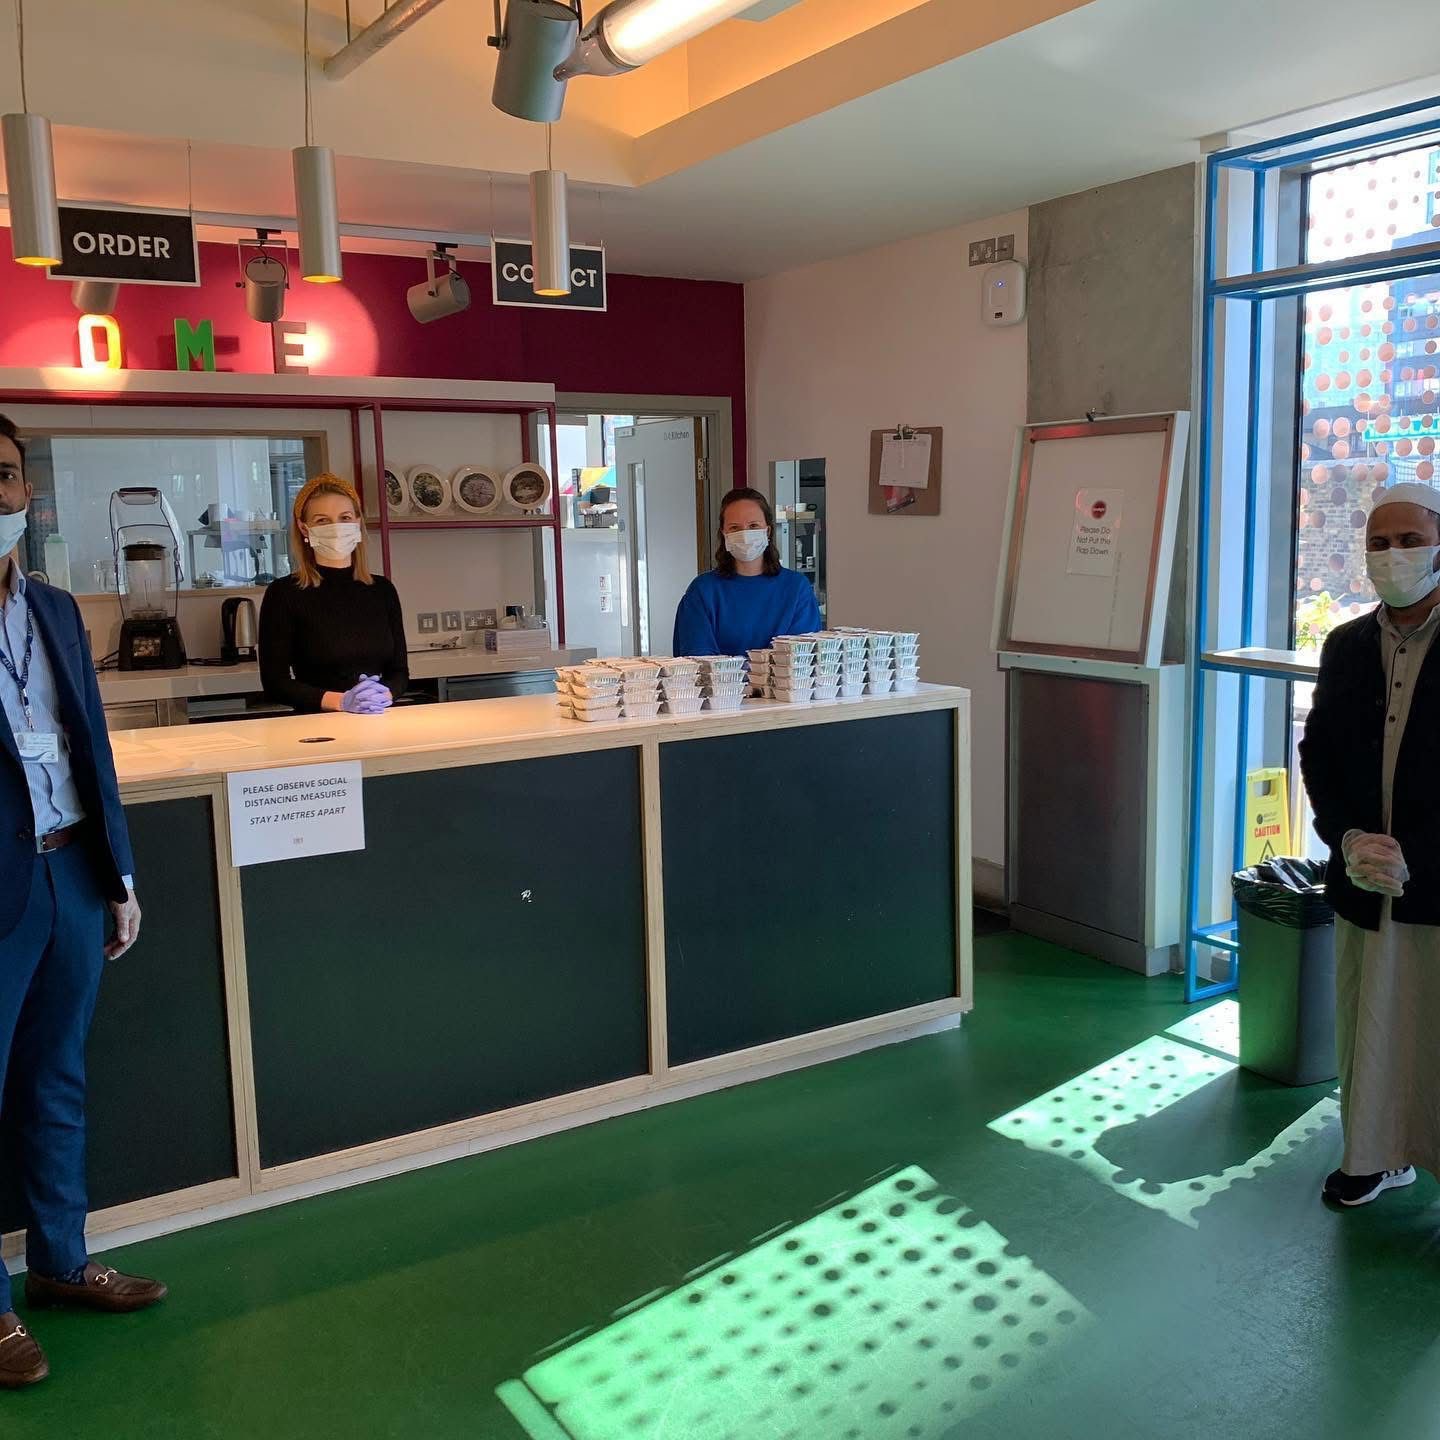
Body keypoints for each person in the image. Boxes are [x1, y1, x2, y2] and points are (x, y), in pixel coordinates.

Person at [0, 414, 166, 1390]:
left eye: (4, 475)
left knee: (55, 1081)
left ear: (26, 492)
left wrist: (120, 874)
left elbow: (90, 745)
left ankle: (61, 1263)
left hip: (68, 873)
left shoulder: (56, 610)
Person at [1299, 481, 1440, 1208]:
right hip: (1363, 876)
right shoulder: (1347, 645)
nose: (1394, 555)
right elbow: (1318, 751)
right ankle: (1377, 1154)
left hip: (1436, 878)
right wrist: (1348, 836)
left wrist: (1420, 849)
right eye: (1379, 543)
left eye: (1411, 540)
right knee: (1371, 1025)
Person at [259, 473, 408, 714]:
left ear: (357, 522)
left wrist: (383, 694)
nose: (336, 528)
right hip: (315, 725)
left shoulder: (383, 590)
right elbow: (275, 683)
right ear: (304, 528)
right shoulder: (284, 593)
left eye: (345, 518)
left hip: (377, 719)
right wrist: (341, 701)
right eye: (322, 520)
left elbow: (399, 672)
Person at [672, 488, 822, 656]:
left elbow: (801, 657)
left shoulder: (796, 589)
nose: (744, 534)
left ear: (768, 531)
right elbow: (698, 659)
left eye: (753, 526)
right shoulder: (702, 591)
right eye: (735, 528)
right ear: (724, 534)